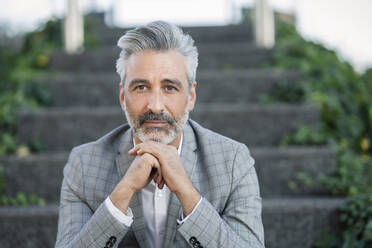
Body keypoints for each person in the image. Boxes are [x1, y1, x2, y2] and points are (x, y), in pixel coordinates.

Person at [55, 21, 264, 248]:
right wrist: (123, 191)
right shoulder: (84, 165)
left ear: (191, 96)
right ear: (123, 97)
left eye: (169, 88)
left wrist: (187, 192)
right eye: (141, 87)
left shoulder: (233, 161)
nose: (155, 106)